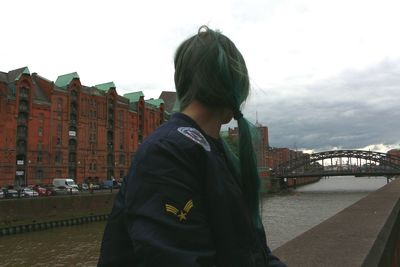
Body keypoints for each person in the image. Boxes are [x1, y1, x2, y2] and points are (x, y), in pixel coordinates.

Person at [98, 26, 286, 267]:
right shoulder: (168, 153)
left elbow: (255, 252)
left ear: (184, 83)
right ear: (236, 88)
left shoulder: (211, 151)